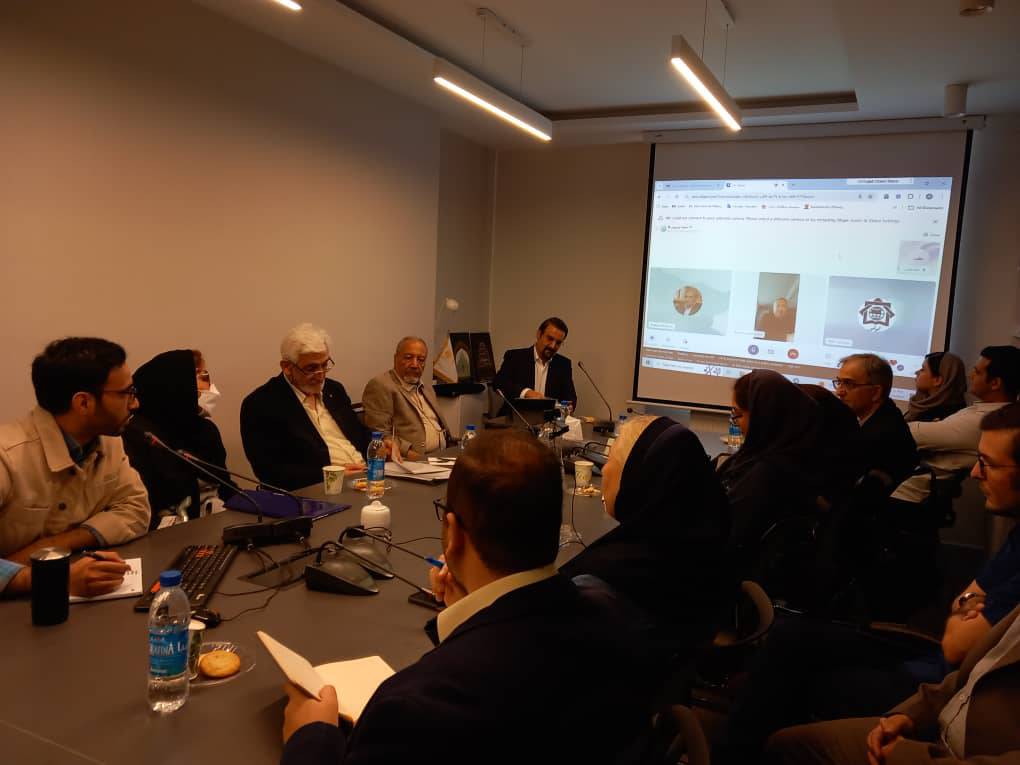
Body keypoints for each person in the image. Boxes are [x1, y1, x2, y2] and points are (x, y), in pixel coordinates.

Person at [278, 430, 659, 764]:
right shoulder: (616, 618)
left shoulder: (415, 708)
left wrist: (310, 736)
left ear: (454, 533)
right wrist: (469, 613)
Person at [717, 404, 1020, 765]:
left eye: (987, 463)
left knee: (786, 683)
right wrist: (968, 605)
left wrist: (965, 606)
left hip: (949, 685)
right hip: (935, 663)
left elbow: (957, 646)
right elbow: (962, 607)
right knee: (788, 639)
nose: (974, 472)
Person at [559, 415, 733, 657]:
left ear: (636, 478)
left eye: (611, 460)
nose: (605, 469)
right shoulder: (696, 551)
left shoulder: (596, 587)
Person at [0, 338, 146, 597]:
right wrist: (49, 579)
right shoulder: (7, 457)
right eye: (127, 393)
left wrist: (53, 545)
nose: (135, 404)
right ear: (83, 403)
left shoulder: (108, 442)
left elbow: (135, 508)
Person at [241, 323, 381, 491]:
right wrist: (332, 475)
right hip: (318, 491)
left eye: (324, 365)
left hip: (366, 479)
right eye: (311, 368)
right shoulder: (261, 404)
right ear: (287, 367)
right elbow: (270, 472)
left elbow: (357, 434)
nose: (321, 375)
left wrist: (379, 445)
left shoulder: (334, 390)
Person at [717, 370, 822, 572]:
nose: (735, 422)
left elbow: (726, 533)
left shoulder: (769, 472)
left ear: (762, 417)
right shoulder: (790, 454)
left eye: (738, 414)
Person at [892, 346, 1020, 505]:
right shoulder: (982, 411)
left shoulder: (985, 420)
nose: (970, 376)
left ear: (995, 383)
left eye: (977, 372)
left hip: (909, 496)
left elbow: (907, 433)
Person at [122, 349, 235, 526]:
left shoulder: (206, 429)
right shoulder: (139, 436)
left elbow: (225, 486)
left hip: (216, 522)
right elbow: (144, 507)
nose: (209, 387)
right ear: (178, 385)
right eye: (201, 377)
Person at [834, 353, 918, 487]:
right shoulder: (887, 416)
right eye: (839, 382)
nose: (839, 392)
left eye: (849, 384)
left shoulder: (881, 436)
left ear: (876, 392)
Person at [362, 337, 453, 460]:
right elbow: (380, 434)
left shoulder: (426, 387)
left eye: (421, 360)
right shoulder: (381, 385)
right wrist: (415, 457)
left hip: (442, 456)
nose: (415, 364)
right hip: (412, 460)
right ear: (396, 358)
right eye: (408, 357)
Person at [492, 317, 577, 411]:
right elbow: (499, 382)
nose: (553, 346)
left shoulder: (563, 364)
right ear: (539, 334)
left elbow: (570, 398)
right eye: (550, 339)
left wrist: (567, 407)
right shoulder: (515, 357)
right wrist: (526, 392)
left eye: (558, 343)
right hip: (515, 416)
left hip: (547, 418)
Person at [904, 351, 967, 423]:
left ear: (937, 380)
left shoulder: (945, 418)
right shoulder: (923, 406)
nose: (916, 372)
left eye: (923, 369)